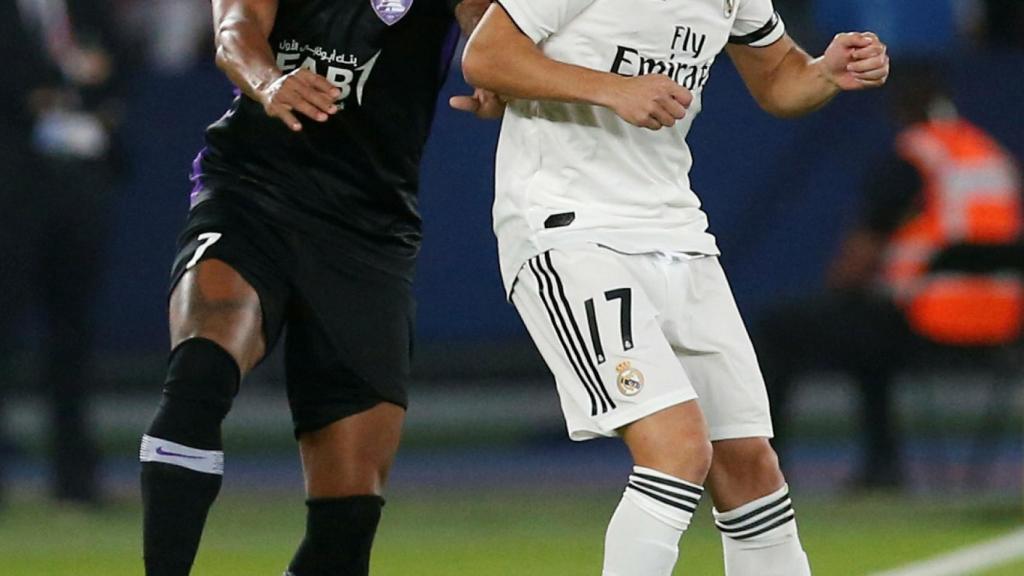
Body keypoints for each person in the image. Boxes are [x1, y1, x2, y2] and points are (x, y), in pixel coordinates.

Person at [458, 2, 889, 575]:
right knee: (678, 449)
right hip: (570, 228)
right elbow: (486, 55)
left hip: (677, 233)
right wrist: (614, 89)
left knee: (751, 467)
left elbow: (780, 80)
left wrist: (825, 72)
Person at [137, 1, 491, 575]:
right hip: (253, 191)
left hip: (369, 226)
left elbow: (491, 30)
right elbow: (235, 30)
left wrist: (497, 78)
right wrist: (270, 81)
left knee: (347, 521)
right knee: (200, 376)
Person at [755, 62, 1023, 489]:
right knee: (868, 337)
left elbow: (860, 256)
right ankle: (881, 464)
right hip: (1004, 325)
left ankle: (763, 473)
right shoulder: (991, 156)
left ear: (900, 109)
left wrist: (837, 294)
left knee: (781, 330)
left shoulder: (913, 157)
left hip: (927, 321)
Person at [0, 0, 122, 507]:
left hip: (79, 186)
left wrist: (76, 95)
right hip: (12, 190)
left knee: (73, 336)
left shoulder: (90, 9)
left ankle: (75, 477)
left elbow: (119, 71)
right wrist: (56, 89)